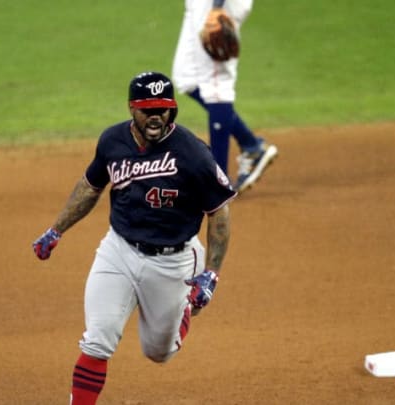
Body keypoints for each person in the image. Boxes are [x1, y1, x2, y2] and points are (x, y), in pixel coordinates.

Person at [31, 71, 237, 405]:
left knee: (159, 352)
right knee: (97, 340)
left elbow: (219, 212)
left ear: (172, 110)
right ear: (132, 109)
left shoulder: (193, 153)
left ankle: (183, 309)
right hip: (119, 250)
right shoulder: (113, 142)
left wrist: (211, 273)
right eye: (147, 109)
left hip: (174, 262)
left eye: (163, 109)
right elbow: (90, 187)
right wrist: (56, 230)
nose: (156, 116)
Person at [172, 0, 278, 194]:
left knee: (216, 85)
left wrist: (217, 7)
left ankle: (218, 181)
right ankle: (252, 146)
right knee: (186, 77)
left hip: (216, 6)